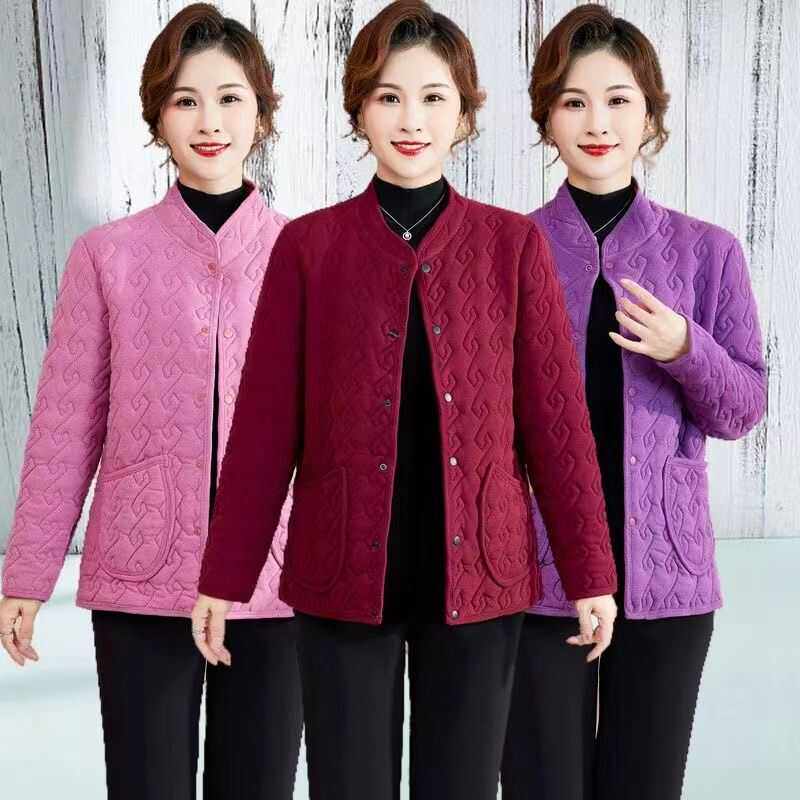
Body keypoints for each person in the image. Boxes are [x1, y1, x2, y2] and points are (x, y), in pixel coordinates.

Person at [191, 2, 619, 799]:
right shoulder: (310, 247)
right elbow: (263, 432)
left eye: (432, 97)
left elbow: (557, 425)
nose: (411, 119)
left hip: (483, 575)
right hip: (340, 574)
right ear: (359, 110)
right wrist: (224, 577)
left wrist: (591, 571)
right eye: (388, 97)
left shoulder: (511, 246)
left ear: (464, 114)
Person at [0, 5, 302, 798]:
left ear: (262, 113)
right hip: (142, 579)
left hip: (276, 584)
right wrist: (27, 575)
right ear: (157, 117)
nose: (210, 122)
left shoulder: (307, 256)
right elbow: (65, 427)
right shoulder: (109, 257)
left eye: (230, 98)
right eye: (185, 100)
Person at [500, 6, 767, 800]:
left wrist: (687, 347)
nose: (597, 122)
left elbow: (741, 410)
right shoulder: (506, 249)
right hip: (536, 581)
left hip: (667, 582)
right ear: (547, 116)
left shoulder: (708, 251)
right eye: (574, 101)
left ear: (650, 115)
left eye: (619, 100)